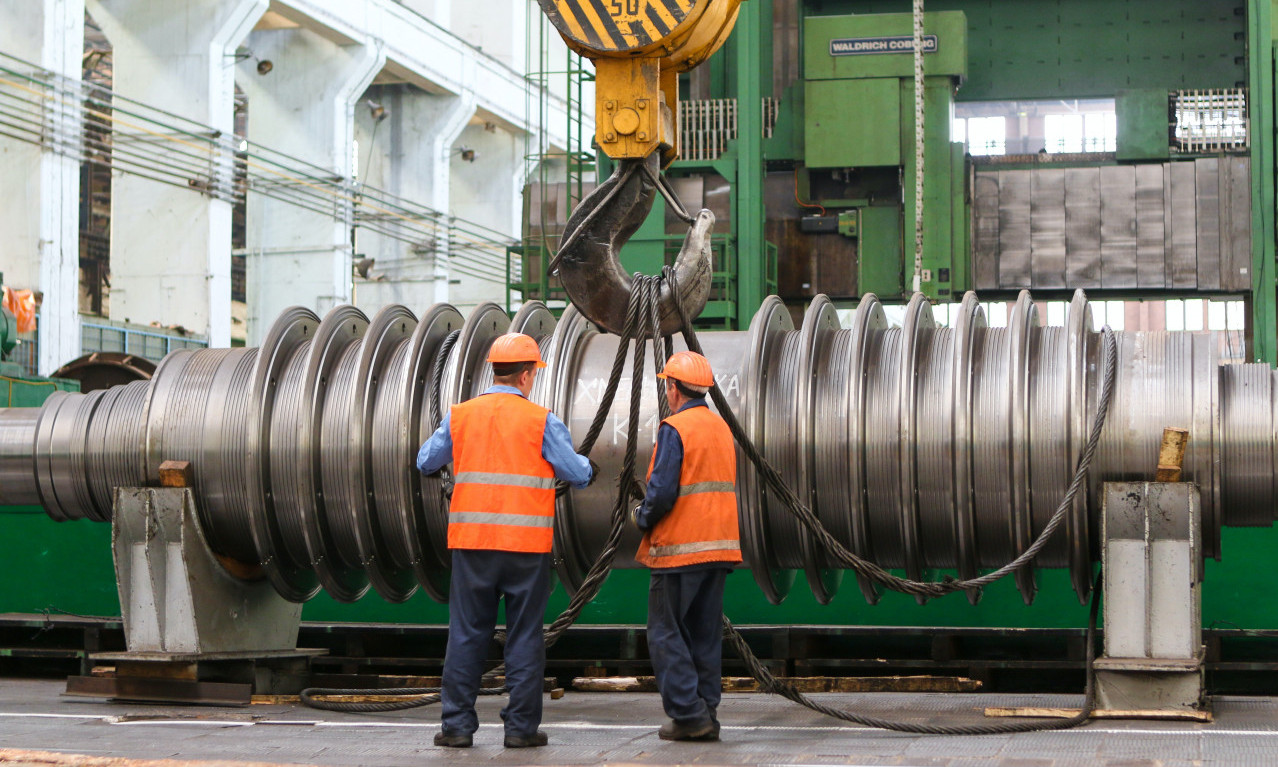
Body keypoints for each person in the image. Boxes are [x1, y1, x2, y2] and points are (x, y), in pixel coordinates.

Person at [417, 332, 593, 749]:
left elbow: (426, 461)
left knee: (466, 634)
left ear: (493, 370)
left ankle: (457, 727)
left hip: (473, 545)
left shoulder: (460, 415)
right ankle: (520, 729)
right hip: (525, 549)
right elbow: (577, 473)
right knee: (525, 636)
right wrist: (588, 466)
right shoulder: (541, 420)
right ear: (528, 375)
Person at [631, 351, 741, 741]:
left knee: (665, 632)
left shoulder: (675, 429)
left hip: (680, 551)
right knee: (704, 633)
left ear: (673, 387)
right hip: (720, 550)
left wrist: (640, 516)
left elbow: (661, 494)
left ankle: (688, 715)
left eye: (667, 385)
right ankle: (707, 712)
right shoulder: (720, 428)